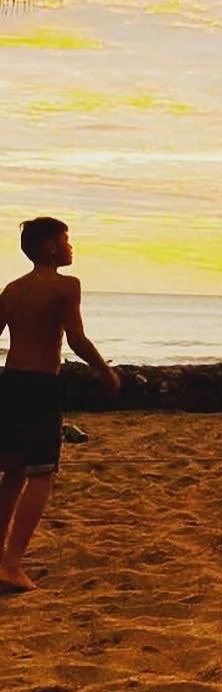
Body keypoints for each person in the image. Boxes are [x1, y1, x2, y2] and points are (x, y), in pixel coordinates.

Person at [0, 217, 119, 592]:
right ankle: (12, 563)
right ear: (49, 246)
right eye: (66, 240)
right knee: (41, 473)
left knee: (13, 471)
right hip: (40, 385)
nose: (71, 247)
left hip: (11, 383)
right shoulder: (67, 285)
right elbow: (77, 339)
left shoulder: (12, 290)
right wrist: (105, 371)